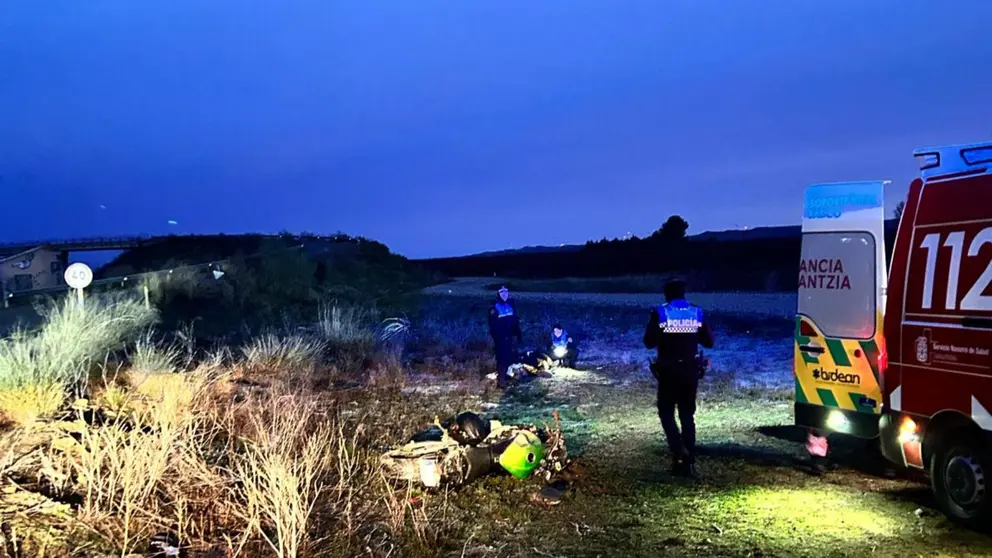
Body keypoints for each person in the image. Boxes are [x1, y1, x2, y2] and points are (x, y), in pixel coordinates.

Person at [643, 278, 714, 478]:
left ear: (667, 294)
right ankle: (689, 458)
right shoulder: (696, 312)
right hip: (690, 370)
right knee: (687, 415)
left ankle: (678, 451)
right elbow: (709, 342)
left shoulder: (660, 312)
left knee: (666, 412)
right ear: (684, 293)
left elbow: (648, 342)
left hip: (668, 370)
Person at [488, 285, 523, 388]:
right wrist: (498, 337)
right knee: (502, 358)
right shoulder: (494, 306)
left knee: (510, 356)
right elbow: (493, 324)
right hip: (501, 337)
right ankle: (501, 381)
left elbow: (515, 320)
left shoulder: (510, 304)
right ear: (498, 294)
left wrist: (518, 334)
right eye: (502, 292)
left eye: (506, 292)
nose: (504, 294)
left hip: (511, 336)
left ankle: (508, 376)